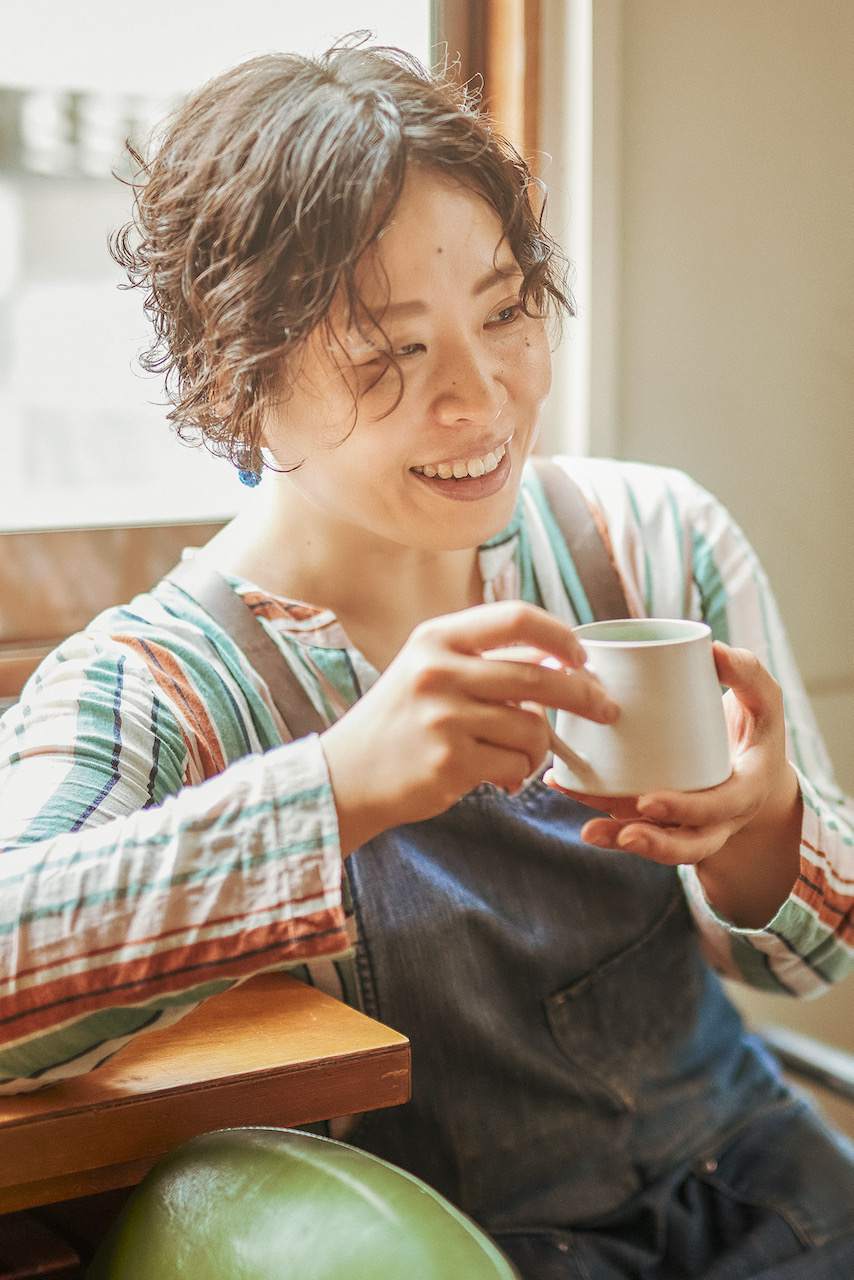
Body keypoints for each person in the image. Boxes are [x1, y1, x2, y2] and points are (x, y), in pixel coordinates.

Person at [1, 35, 853, 1278]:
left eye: (504, 310)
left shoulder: (647, 546)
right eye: (386, 352)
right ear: (238, 387)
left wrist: (763, 821)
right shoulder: (163, 681)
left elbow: (813, 958)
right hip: (462, 1248)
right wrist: (340, 783)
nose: (480, 397)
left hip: (767, 1190)